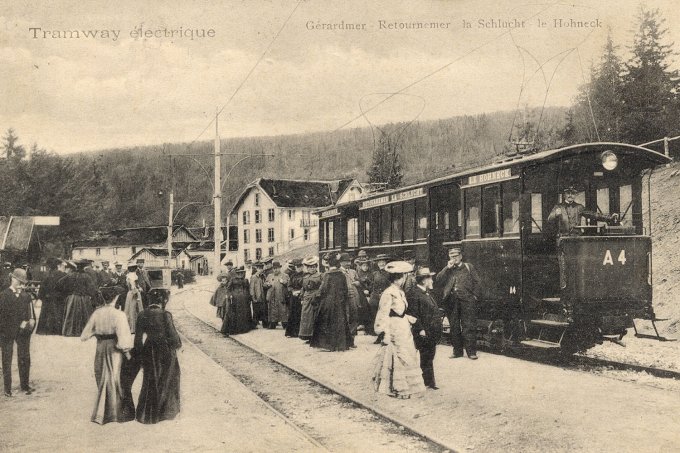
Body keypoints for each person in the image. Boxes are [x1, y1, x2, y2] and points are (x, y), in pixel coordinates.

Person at [80, 285, 134, 424]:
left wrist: (97, 333)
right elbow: (123, 339)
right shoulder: (119, 315)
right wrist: (127, 352)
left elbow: (84, 335)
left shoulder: (96, 313)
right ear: (115, 298)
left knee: (101, 376)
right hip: (114, 348)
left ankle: (101, 414)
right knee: (113, 377)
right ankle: (114, 413)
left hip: (100, 347)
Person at [372, 261, 425, 399]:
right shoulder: (388, 293)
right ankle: (398, 388)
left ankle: (407, 386)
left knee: (407, 354)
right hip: (394, 327)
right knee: (399, 355)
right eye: (403, 277)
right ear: (398, 278)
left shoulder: (399, 292)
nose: (404, 280)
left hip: (403, 327)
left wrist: (410, 319)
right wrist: (383, 331)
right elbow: (383, 313)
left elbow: (401, 311)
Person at [134, 289, 182, 424]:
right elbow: (173, 336)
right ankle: (165, 412)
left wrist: (140, 354)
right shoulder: (165, 314)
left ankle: (147, 414)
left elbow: (137, 340)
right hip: (165, 349)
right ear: (163, 301)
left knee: (150, 379)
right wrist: (177, 345)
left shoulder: (142, 314)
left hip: (149, 348)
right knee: (167, 377)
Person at [435, 247, 481, 360]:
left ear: (461, 256)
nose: (454, 259)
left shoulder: (468, 267)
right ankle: (457, 351)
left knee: (468, 326)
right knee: (454, 327)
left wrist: (474, 296)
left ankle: (471, 352)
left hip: (467, 301)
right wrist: (447, 268)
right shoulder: (448, 269)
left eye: (456, 256)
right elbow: (438, 280)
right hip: (451, 301)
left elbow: (477, 282)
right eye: (451, 257)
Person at [0, 268, 36, 397]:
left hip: (23, 332)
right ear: (13, 279)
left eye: (23, 282)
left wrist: (28, 323)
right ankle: (7, 388)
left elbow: (30, 315)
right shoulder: (3, 295)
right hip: (7, 332)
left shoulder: (26, 296)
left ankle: (25, 385)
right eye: (19, 281)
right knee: (6, 359)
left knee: (24, 357)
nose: (21, 284)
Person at [406, 267, 442, 390]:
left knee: (429, 357)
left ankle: (428, 382)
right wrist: (420, 329)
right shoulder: (415, 294)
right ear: (423, 280)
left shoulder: (425, 292)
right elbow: (413, 314)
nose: (432, 281)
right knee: (426, 356)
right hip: (424, 332)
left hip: (430, 331)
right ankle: (427, 382)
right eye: (429, 278)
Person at [310, 253, 352, 352]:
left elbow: (322, 290)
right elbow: (345, 290)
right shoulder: (342, 275)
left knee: (326, 322)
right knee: (340, 322)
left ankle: (328, 345)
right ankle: (341, 345)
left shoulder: (327, 275)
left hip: (328, 303)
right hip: (340, 303)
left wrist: (314, 299)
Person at [548, 186, 618, 236]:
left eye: (572, 193)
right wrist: (555, 215)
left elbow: (593, 214)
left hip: (576, 237)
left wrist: (609, 217)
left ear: (575, 195)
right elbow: (549, 219)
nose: (570, 195)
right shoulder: (558, 206)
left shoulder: (579, 207)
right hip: (562, 237)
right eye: (568, 193)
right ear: (564, 195)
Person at [61, 259, 99, 337]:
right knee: (85, 314)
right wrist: (92, 295)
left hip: (72, 298)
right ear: (84, 267)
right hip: (84, 298)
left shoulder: (70, 275)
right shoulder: (87, 276)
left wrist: (67, 292)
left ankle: (71, 331)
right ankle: (83, 331)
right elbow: (92, 289)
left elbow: (60, 283)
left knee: (71, 314)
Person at [36, 258, 66, 335]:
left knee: (46, 314)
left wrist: (42, 297)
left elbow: (42, 289)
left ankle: (45, 330)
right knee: (58, 314)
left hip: (47, 299)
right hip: (59, 299)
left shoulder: (46, 275)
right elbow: (65, 288)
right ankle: (58, 330)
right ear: (57, 266)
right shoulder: (63, 275)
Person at [220, 267, 253, 335]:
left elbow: (247, 289)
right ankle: (234, 329)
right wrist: (230, 295)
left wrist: (249, 297)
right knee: (235, 313)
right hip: (235, 299)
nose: (240, 274)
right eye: (238, 273)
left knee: (243, 313)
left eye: (241, 273)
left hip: (244, 299)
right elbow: (228, 289)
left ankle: (243, 329)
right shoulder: (233, 280)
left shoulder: (245, 280)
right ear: (236, 273)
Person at [367, 254, 391, 339]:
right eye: (379, 262)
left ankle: (384, 335)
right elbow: (370, 285)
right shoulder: (375, 274)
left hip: (385, 296)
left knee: (384, 316)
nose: (381, 263)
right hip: (375, 297)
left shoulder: (390, 273)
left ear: (386, 262)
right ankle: (378, 335)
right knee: (374, 315)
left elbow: (390, 285)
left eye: (383, 262)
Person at [298, 256, 322, 341]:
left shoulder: (320, 276)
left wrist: (318, 296)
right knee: (306, 317)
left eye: (314, 267)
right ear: (307, 268)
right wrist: (301, 298)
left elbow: (322, 287)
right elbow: (303, 288)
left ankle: (315, 337)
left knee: (315, 317)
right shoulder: (305, 277)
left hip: (316, 299)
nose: (312, 268)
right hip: (306, 298)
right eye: (310, 267)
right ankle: (307, 336)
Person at [339, 253, 359, 341]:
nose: (348, 263)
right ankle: (344, 339)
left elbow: (359, 282)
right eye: (345, 261)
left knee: (354, 316)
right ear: (340, 262)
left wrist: (358, 283)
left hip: (354, 297)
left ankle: (352, 338)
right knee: (345, 317)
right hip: (344, 298)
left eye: (349, 261)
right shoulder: (338, 272)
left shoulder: (353, 272)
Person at [264, 261, 289, 329]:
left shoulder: (285, 275)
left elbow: (288, 284)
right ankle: (273, 324)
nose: (275, 270)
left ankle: (284, 323)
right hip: (272, 296)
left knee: (283, 310)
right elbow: (265, 284)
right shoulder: (269, 276)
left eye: (277, 268)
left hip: (281, 295)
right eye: (274, 268)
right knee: (273, 310)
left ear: (280, 268)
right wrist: (267, 285)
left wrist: (283, 282)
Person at [285, 259, 304, 338]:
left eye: (300, 266)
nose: (299, 268)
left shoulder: (305, 275)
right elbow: (289, 286)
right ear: (295, 267)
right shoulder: (292, 276)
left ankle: (301, 332)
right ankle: (292, 332)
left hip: (302, 296)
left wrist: (300, 291)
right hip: (294, 297)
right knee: (293, 314)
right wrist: (292, 291)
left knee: (301, 314)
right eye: (297, 267)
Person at [354, 256, 373, 334]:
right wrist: (363, 289)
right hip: (361, 293)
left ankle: (369, 327)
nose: (365, 267)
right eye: (364, 266)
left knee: (370, 309)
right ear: (361, 266)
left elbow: (372, 283)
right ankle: (362, 324)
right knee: (363, 308)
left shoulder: (371, 274)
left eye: (366, 266)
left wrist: (368, 289)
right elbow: (358, 284)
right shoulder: (358, 274)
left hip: (369, 292)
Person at [123, 264, 144, 333]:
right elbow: (133, 287)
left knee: (129, 309)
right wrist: (138, 291)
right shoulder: (133, 276)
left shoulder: (128, 276)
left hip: (130, 294)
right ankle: (134, 328)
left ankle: (131, 327)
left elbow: (132, 285)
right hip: (134, 294)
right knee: (133, 309)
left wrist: (138, 287)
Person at [249, 261, 266, 327]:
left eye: (261, 268)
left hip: (262, 296)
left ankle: (264, 324)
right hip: (256, 297)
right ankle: (254, 324)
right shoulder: (253, 277)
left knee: (263, 310)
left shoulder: (263, 276)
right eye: (259, 268)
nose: (260, 270)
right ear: (257, 269)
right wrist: (253, 297)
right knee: (256, 311)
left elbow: (263, 285)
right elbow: (251, 288)